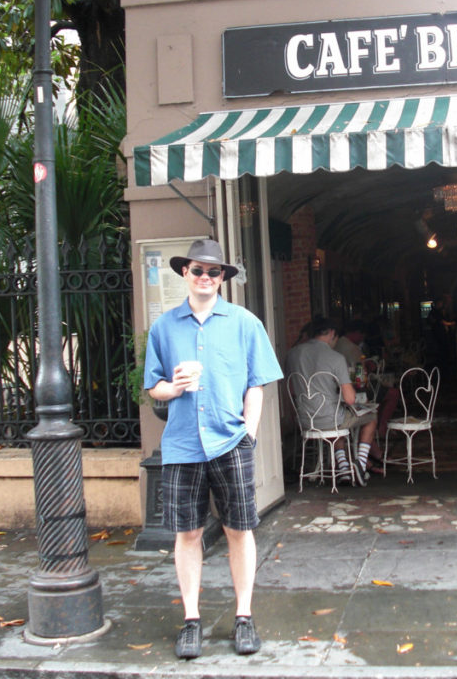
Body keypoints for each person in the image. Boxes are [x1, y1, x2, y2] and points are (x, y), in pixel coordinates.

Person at [144, 239, 282, 660]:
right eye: (198, 270)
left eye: (214, 272)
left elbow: (255, 385)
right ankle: (191, 621)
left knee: (239, 529)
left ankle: (244, 616)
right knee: (187, 533)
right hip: (183, 446)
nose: (206, 277)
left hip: (229, 441)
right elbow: (154, 387)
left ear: (223, 278)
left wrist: (249, 436)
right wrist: (175, 386)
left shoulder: (244, 323)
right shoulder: (164, 327)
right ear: (184, 272)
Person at [284, 316, 377, 485]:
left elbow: (290, 390)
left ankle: (344, 469)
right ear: (332, 333)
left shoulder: (292, 354)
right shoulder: (335, 357)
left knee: (336, 419)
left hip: (305, 420)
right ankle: (361, 465)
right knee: (371, 417)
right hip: (331, 419)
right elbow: (349, 399)